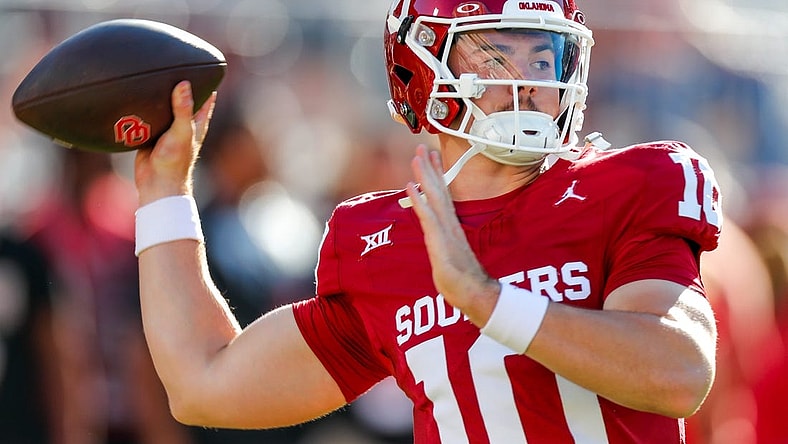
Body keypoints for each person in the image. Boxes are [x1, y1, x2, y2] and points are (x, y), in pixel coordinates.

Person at [131, 1, 721, 443]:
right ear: (421, 72)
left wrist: (486, 300)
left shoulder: (627, 186)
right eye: (494, 56)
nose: (528, 83)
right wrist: (163, 191)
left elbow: (679, 371)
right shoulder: (385, 243)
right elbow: (203, 384)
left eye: (544, 56)